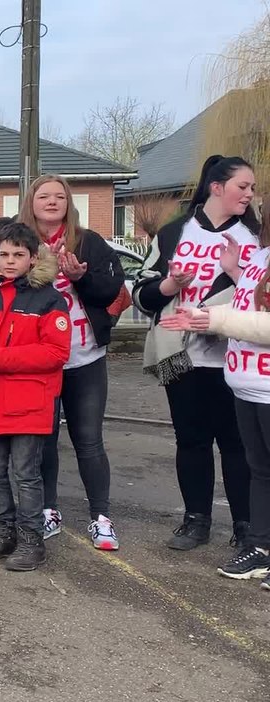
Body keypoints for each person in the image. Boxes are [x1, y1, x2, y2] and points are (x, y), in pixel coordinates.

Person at [134, 155, 257, 551]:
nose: (250, 195)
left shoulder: (255, 237)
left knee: (238, 446)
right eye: (244, 187)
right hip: (181, 359)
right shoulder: (174, 234)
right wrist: (169, 286)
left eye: (252, 189)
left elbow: (262, 301)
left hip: (237, 361)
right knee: (191, 441)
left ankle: (246, 525)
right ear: (217, 187)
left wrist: (236, 276)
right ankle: (196, 520)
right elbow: (141, 295)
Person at [18, 174, 126, 550]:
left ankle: (101, 517)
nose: (51, 202)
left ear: (69, 202)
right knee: (43, 440)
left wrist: (80, 278)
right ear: (31, 202)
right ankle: (48, 509)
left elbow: (113, 289)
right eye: (43, 196)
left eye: (58, 196)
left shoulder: (89, 241)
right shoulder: (21, 241)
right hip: (39, 359)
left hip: (84, 355)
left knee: (89, 440)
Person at [0, 222, 70, 571]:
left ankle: (30, 539)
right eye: (4, 254)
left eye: (18, 255)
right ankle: (2, 531)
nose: (9, 261)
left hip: (28, 404)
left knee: (26, 475)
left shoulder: (50, 298)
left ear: (33, 258)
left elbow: (55, 353)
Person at [164, 266, 270, 586]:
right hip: (249, 384)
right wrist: (201, 312)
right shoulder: (257, 256)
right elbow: (243, 306)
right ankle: (261, 547)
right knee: (261, 472)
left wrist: (212, 320)